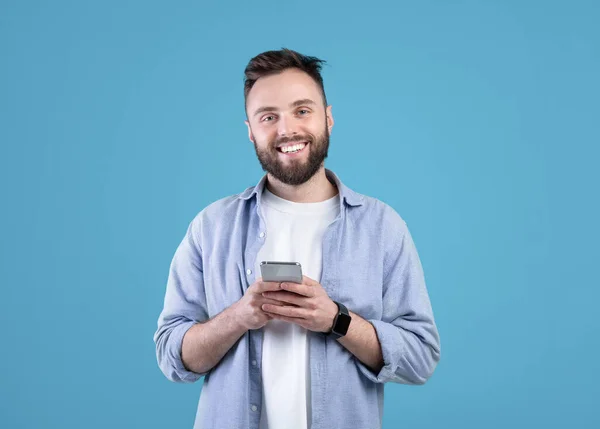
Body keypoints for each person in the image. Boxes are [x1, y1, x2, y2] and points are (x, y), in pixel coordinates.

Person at [154, 48, 441, 429]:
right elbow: (172, 357)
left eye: (302, 110)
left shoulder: (383, 227)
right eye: (268, 117)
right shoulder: (211, 227)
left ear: (328, 118)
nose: (287, 130)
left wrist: (335, 320)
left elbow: (420, 358)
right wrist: (240, 316)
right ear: (251, 131)